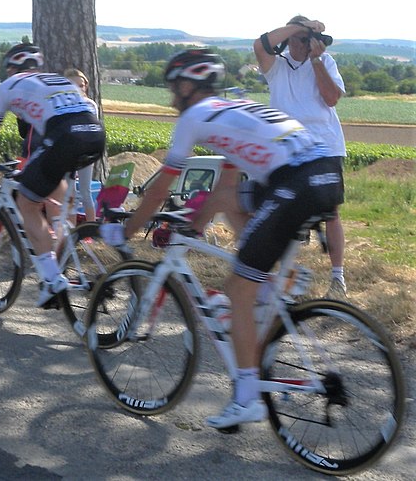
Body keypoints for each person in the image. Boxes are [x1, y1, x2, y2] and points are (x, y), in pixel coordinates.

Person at [100, 49, 342, 429]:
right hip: (324, 174)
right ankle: (277, 280)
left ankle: (246, 397)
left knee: (236, 289)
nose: (169, 98)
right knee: (228, 204)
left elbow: (161, 187)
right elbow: (226, 190)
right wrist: (192, 228)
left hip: (295, 186)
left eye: (171, 89)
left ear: (185, 86)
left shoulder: (195, 118)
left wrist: (127, 230)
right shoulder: (235, 109)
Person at [0, 44, 105, 307]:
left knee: (27, 203)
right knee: (51, 196)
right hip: (94, 135)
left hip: (65, 138)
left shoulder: (7, 88)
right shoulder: (55, 79)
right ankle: (60, 256)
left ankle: (51, 280)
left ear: (10, 69)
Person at [254, 16, 349, 299]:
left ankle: (337, 278)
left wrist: (317, 60)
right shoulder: (276, 67)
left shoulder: (325, 61)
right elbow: (261, 44)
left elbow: (331, 98)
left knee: (330, 212)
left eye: (311, 39)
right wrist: (301, 27)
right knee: (282, 209)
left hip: (325, 145)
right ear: (290, 38)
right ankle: (284, 276)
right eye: (302, 38)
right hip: (287, 148)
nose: (308, 44)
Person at [64, 68, 97, 222]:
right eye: (73, 85)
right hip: (69, 153)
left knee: (85, 191)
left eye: (81, 85)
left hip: (85, 153)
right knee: (69, 193)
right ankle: (72, 233)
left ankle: (90, 230)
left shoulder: (90, 105)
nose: (78, 88)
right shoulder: (62, 104)